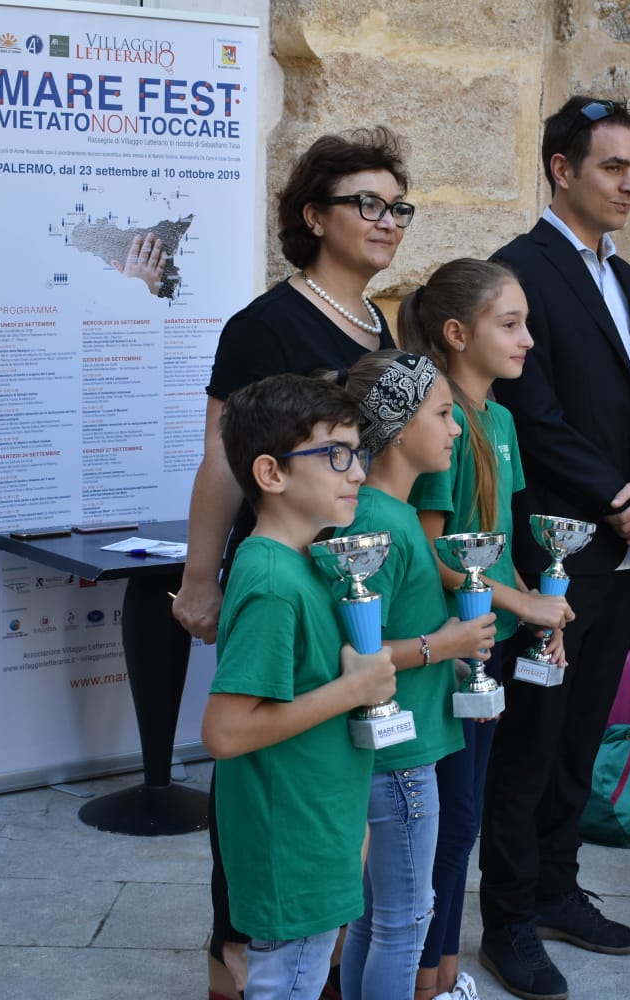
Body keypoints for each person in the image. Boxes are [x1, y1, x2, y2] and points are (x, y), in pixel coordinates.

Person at [172, 127, 413, 1000]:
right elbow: (220, 456)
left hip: (345, 576)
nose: (387, 221)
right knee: (260, 777)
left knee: (321, 771)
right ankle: (236, 964)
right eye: (367, 204)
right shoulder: (265, 323)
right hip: (285, 566)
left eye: (399, 208)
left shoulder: (379, 320)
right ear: (314, 216)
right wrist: (201, 579)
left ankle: (311, 959)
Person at [481, 96, 630, 1000]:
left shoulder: (625, 277)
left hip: (618, 553)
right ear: (562, 169)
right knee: (531, 745)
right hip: (550, 554)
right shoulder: (517, 271)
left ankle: (557, 890)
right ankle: (508, 922)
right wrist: (623, 503)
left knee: (581, 736)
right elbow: (535, 416)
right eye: (613, 167)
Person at [401, 259, 575, 1000]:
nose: (527, 339)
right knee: (446, 821)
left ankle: (443, 970)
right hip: (447, 652)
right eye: (510, 324)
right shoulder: (440, 423)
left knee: (465, 817)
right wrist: (521, 604)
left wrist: (540, 608)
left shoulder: (499, 419)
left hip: (490, 647)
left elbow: (493, 545)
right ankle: (424, 977)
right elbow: (432, 552)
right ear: (455, 332)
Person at [200, 374, 397, 1000]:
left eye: (358, 454)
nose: (357, 473)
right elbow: (225, 732)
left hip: (317, 826)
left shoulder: (304, 562)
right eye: (335, 455)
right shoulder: (272, 583)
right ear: (271, 473)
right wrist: (353, 690)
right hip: (292, 840)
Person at [333, 351, 497, 1000]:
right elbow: (357, 655)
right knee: (405, 923)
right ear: (399, 429)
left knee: (377, 919)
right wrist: (444, 642)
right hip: (401, 759)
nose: (455, 428)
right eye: (443, 414)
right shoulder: (382, 522)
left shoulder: (388, 515)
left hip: (406, 745)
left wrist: (450, 659)